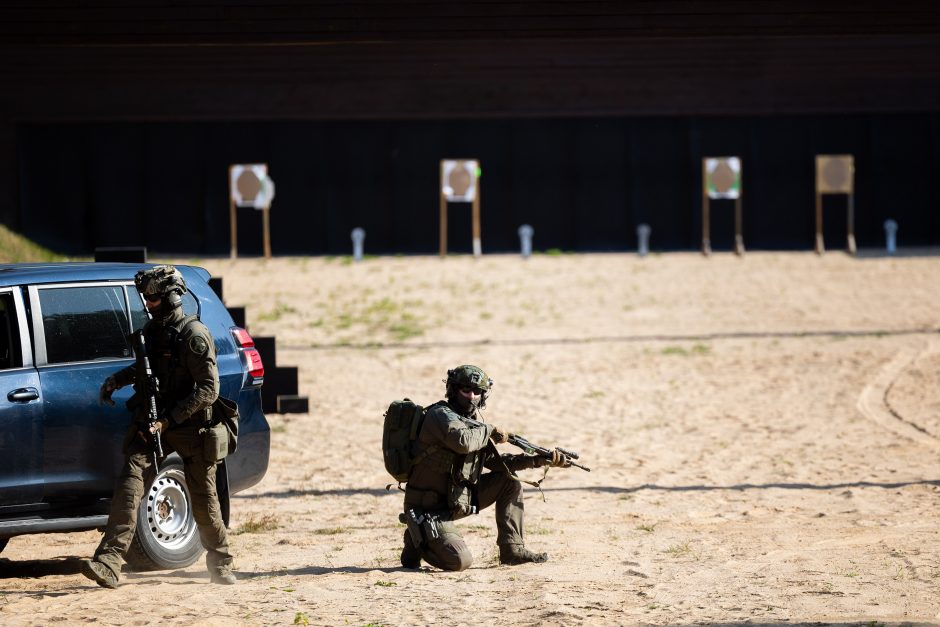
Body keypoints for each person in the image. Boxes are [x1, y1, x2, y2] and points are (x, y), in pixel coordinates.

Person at [80, 265, 236, 588]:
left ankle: (221, 563)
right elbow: (146, 367)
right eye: (146, 297)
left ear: (171, 297)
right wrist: (117, 380)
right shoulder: (153, 333)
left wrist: (168, 420)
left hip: (190, 428)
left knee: (204, 502)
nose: (147, 303)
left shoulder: (194, 336)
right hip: (153, 423)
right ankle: (109, 561)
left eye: (152, 298)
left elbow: (209, 389)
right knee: (130, 484)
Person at [400, 364, 571, 571]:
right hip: (428, 508)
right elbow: (462, 442)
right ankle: (416, 538)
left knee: (509, 480)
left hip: (455, 501)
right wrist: (489, 430)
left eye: (477, 392)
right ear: (453, 390)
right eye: (466, 390)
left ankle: (512, 550)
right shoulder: (440, 415)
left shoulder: (473, 425)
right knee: (459, 561)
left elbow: (499, 464)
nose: (472, 396)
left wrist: (539, 460)